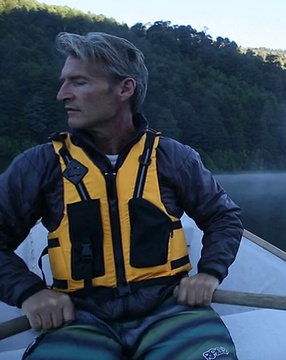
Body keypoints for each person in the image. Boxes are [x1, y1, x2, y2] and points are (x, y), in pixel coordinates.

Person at [0, 31, 243, 359]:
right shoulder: (40, 164)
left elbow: (222, 216)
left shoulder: (173, 157)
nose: (62, 94)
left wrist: (209, 273)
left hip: (170, 310)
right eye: (64, 82)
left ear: (124, 89)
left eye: (79, 82)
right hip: (77, 317)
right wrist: (29, 293)